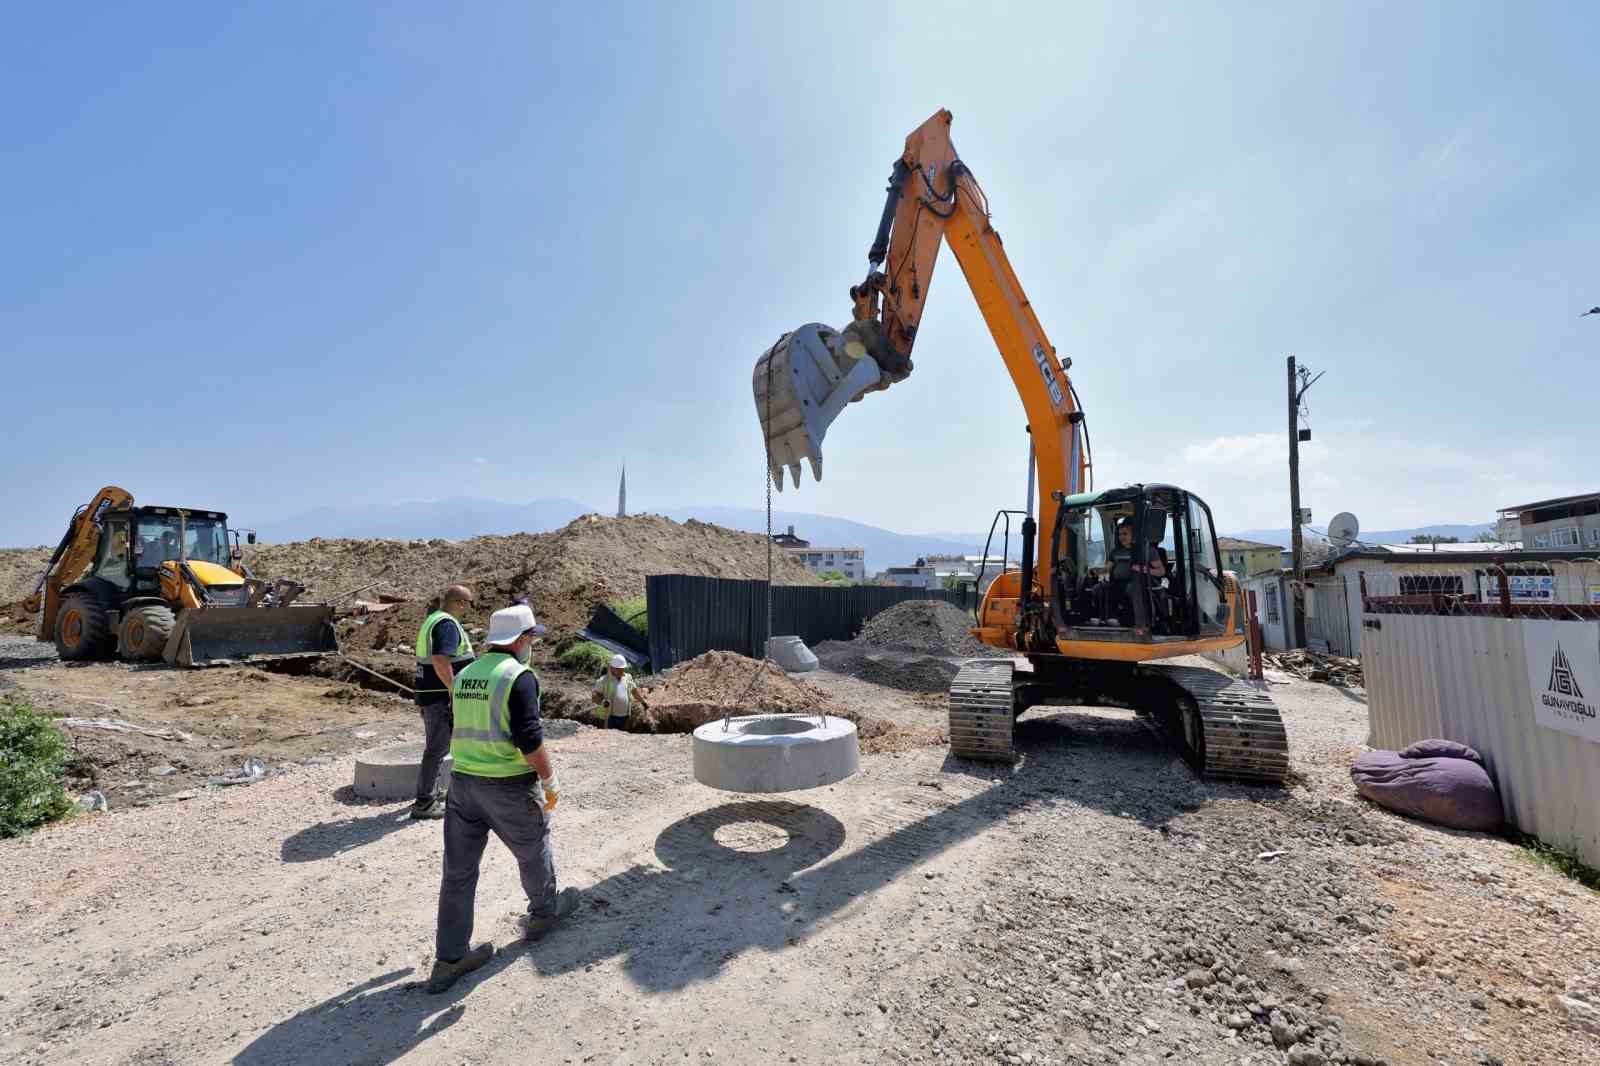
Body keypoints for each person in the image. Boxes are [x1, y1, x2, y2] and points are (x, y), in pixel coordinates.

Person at [428, 603, 579, 995]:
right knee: (532, 849)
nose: (533, 645)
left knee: (458, 873)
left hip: (463, 784)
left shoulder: (465, 674)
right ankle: (543, 915)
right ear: (521, 639)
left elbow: (460, 723)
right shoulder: (518, 676)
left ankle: (449, 960)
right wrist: (549, 779)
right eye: (532, 638)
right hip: (508, 785)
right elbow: (529, 738)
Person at [410, 585, 476, 820]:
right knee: (437, 748)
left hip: (430, 694)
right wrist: (454, 690)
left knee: (436, 748)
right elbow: (440, 660)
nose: (469, 608)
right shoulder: (446, 624)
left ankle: (432, 792)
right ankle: (424, 803)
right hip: (440, 697)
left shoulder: (433, 619)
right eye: (469, 603)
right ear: (460, 602)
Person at [591, 654, 640, 729]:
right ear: (611, 668)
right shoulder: (604, 680)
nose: (621, 671)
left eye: (622, 668)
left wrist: (643, 702)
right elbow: (594, 696)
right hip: (610, 717)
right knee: (610, 735)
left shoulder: (628, 678)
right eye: (618, 669)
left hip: (625, 716)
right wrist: (602, 702)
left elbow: (634, 691)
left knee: (623, 735)